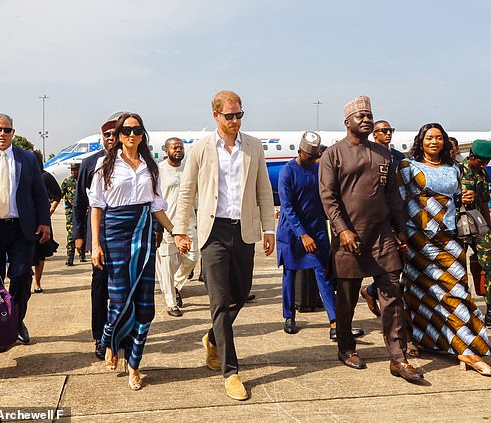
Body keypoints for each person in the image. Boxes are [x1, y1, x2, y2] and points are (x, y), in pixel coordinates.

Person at [174, 90, 275, 401]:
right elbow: (187, 190)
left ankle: (212, 338)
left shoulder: (254, 147)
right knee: (219, 301)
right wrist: (180, 230)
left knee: (241, 294)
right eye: (229, 115)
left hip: (243, 231)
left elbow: (264, 191)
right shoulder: (201, 148)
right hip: (213, 232)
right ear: (215, 115)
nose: (235, 121)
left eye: (239, 115)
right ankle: (231, 371)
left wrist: (269, 228)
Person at [319, 96, 421, 382]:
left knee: (392, 296)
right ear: (347, 122)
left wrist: (400, 229)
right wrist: (342, 229)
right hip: (350, 238)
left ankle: (398, 358)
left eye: (369, 115)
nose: (366, 119)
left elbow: (393, 196)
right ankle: (345, 347)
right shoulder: (333, 154)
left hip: (382, 237)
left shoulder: (384, 154)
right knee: (347, 299)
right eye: (360, 116)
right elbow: (328, 196)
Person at [89, 112, 174, 391]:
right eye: (126, 130)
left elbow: (157, 205)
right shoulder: (105, 164)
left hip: (143, 234)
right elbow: (97, 207)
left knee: (145, 305)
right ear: (118, 135)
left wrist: (176, 231)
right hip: (114, 234)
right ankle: (110, 340)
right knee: (119, 299)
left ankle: (134, 364)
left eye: (137, 130)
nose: (131, 135)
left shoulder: (152, 166)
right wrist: (96, 244)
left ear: (143, 134)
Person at [399, 123, 491, 376]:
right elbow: (398, 202)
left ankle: (469, 350)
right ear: (421, 141)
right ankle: (421, 340)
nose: (434, 142)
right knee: (418, 291)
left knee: (457, 292)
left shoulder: (454, 168)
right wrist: (399, 235)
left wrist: (465, 199)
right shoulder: (408, 168)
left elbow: (456, 199)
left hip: (449, 237)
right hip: (418, 238)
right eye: (429, 138)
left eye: (439, 138)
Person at [0, 114, 51, 346]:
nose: (2, 134)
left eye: (7, 130)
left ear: (13, 133)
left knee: (21, 276)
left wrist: (45, 221)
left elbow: (39, 192)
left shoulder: (26, 159)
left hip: (21, 228)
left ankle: (16, 321)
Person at [277, 131, 337, 337]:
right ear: (300, 151)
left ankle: (335, 322)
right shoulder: (288, 171)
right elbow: (287, 206)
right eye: (309, 157)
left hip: (317, 230)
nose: (312, 160)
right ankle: (289, 316)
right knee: (290, 275)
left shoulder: (319, 169)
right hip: (293, 232)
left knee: (324, 274)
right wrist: (303, 235)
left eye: (315, 157)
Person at [73, 112, 122, 360]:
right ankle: (99, 337)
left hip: (126, 235)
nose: (112, 138)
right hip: (99, 237)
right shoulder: (90, 163)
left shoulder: (134, 162)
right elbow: (80, 202)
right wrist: (79, 235)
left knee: (124, 289)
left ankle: (121, 334)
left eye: (116, 134)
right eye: (107, 135)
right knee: (100, 287)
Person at [361, 119, 404, 317]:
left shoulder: (398, 157)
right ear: (374, 134)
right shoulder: (367, 155)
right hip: (375, 217)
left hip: (396, 215)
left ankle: (371, 291)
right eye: (383, 130)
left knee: (397, 264)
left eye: (390, 130)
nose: (388, 134)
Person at [158, 137, 199, 317]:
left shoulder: (189, 169)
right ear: (166, 150)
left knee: (193, 255)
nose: (178, 150)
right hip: (168, 223)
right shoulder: (159, 171)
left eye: (180, 147)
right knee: (167, 263)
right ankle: (171, 302)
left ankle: (176, 284)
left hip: (188, 221)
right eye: (174, 148)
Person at [460, 140, 491, 325]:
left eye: (487, 161)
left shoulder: (483, 174)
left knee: (489, 265)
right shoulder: (457, 171)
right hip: (460, 226)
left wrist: (489, 226)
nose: (484, 164)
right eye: (481, 161)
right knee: (459, 269)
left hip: (478, 225)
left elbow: (484, 204)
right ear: (471, 156)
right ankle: (463, 311)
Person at [32, 150, 61, 293]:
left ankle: (37, 282)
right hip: (26, 221)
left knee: (41, 253)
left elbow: (58, 194)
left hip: (42, 220)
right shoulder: (22, 175)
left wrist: (51, 210)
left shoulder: (46, 177)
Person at [61, 163, 80, 266]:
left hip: (82, 212)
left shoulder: (83, 180)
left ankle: (82, 254)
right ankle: (70, 256)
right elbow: (60, 194)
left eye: (75, 170)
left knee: (84, 233)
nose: (73, 172)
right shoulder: (67, 182)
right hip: (70, 212)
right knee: (71, 234)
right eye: (72, 170)